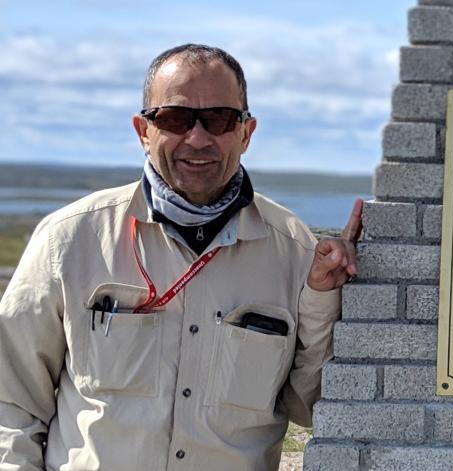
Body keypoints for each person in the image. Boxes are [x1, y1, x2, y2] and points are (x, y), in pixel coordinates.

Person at [0, 44, 362, 470]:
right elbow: (10, 400)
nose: (198, 137)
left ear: (246, 133)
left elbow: (309, 405)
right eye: (175, 118)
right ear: (143, 130)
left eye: (219, 119)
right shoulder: (69, 239)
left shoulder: (296, 252)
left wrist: (324, 295)